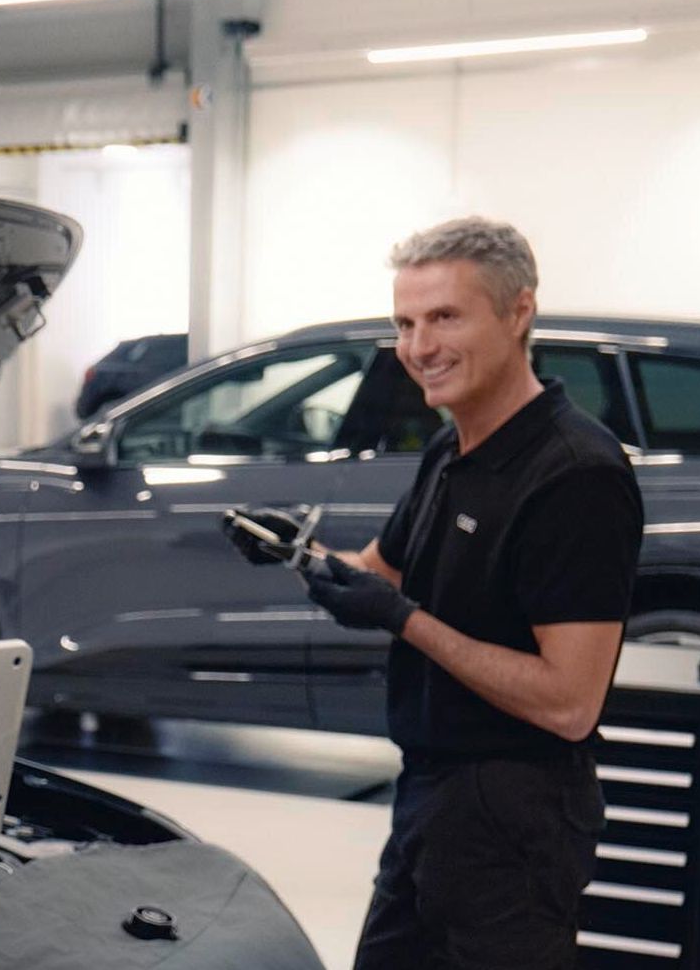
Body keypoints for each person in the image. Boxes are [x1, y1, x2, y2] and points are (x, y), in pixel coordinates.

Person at [227, 216, 640, 969]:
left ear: (518, 313)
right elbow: (380, 573)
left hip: (515, 815)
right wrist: (298, 555)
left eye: (445, 317)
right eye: (405, 323)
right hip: (429, 792)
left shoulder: (576, 474)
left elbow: (570, 702)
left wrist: (405, 621)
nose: (419, 347)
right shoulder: (452, 446)